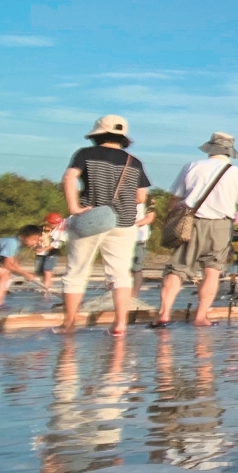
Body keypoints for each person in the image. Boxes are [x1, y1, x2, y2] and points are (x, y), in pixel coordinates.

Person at [60, 115, 152, 335]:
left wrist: (74, 207)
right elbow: (141, 197)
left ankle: (69, 324)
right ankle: (120, 324)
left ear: (98, 134)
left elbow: (69, 177)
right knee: (120, 274)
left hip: (92, 218)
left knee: (77, 272)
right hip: (124, 222)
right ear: (123, 137)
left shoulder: (85, 154)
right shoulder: (134, 161)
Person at [156, 132, 238, 328]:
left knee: (177, 268)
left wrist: (170, 219)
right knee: (212, 271)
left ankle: (164, 313)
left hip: (191, 221)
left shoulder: (192, 166)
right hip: (221, 225)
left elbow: (174, 198)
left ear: (210, 148)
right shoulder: (236, 172)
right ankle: (200, 316)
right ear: (229, 151)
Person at [0, 226, 44, 307]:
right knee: (4, 276)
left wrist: (24, 273)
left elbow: (13, 263)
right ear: (23, 236)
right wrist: (24, 274)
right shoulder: (12, 243)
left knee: (7, 277)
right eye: (33, 239)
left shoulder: (19, 244)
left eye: (37, 240)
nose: (35, 243)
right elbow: (7, 265)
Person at [32, 212, 67, 298]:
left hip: (52, 252)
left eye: (56, 223)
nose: (55, 225)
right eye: (53, 223)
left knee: (47, 269)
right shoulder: (39, 229)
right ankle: (45, 284)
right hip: (40, 252)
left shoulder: (59, 231)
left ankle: (46, 287)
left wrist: (44, 249)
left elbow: (57, 244)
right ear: (47, 222)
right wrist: (36, 243)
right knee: (39, 271)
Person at [130, 199, 155, 297]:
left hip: (139, 238)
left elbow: (149, 218)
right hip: (120, 237)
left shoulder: (149, 198)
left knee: (136, 268)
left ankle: (134, 296)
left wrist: (132, 225)